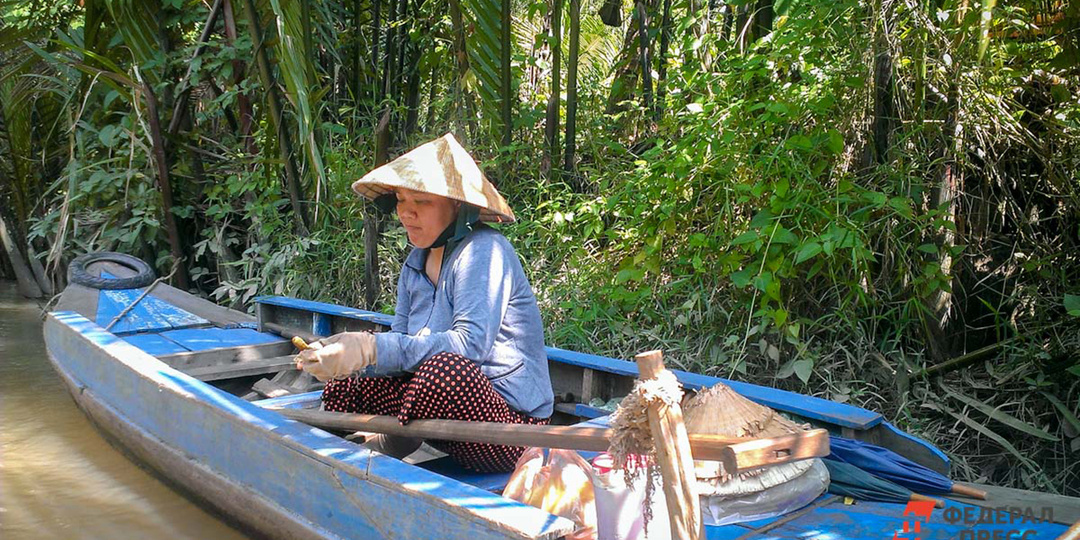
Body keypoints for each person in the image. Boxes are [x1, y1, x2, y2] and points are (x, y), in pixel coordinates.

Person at [295, 133, 554, 473]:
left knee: (445, 371)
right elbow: (401, 350)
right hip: (442, 421)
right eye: (401, 200)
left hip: (507, 429)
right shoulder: (414, 264)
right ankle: (391, 438)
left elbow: (469, 345)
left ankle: (392, 439)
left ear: (458, 206)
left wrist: (372, 349)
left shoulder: (485, 251)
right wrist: (345, 355)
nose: (406, 212)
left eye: (422, 202)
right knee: (346, 382)